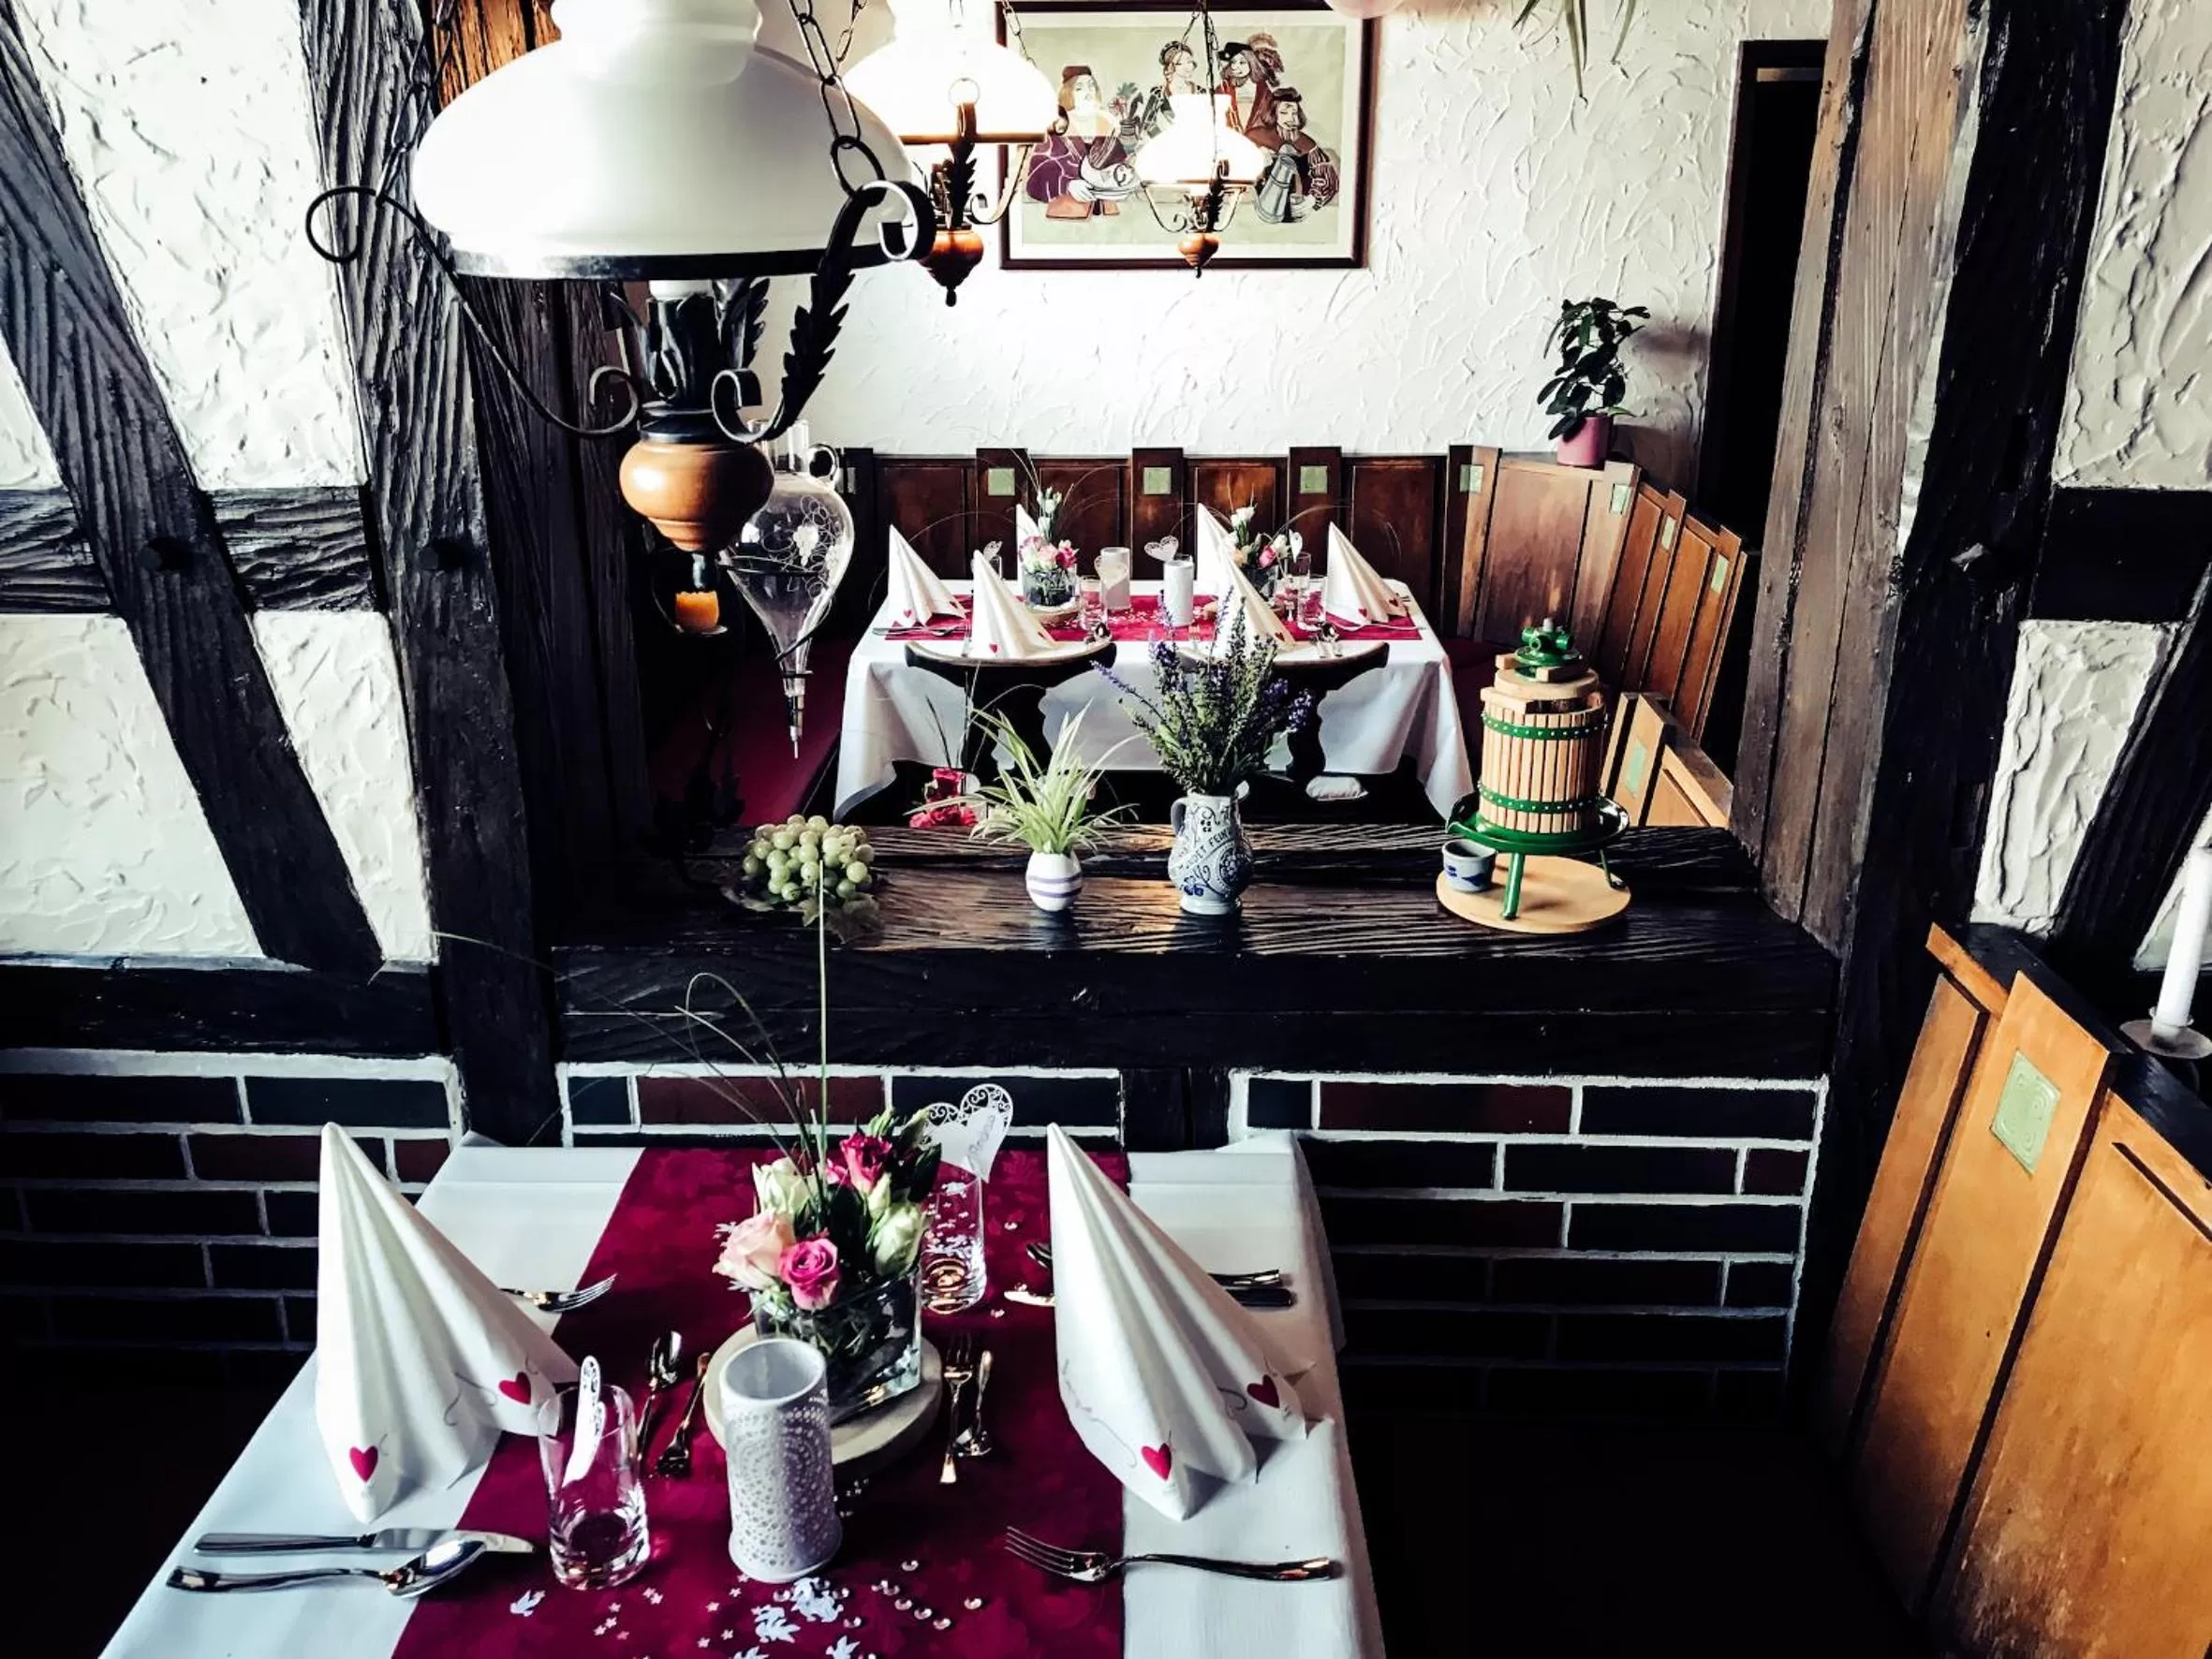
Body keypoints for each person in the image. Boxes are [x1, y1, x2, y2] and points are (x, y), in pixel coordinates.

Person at [1025, 65, 1138, 219]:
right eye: (1079, 88)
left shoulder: (1106, 124)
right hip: (1066, 214)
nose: (1088, 92)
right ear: (1068, 93)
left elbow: (1121, 165)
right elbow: (1037, 172)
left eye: (1092, 86)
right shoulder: (1058, 125)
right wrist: (1068, 185)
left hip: (1108, 215)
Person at [1250, 88, 1341, 224]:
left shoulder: (1308, 144)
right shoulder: (1256, 136)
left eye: (1294, 113)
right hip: (1259, 210)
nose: (1291, 118)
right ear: (1273, 113)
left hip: (1296, 211)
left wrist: (1313, 200)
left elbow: (1327, 177)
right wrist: (1257, 157)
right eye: (1284, 113)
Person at [1216, 40, 1276, 135]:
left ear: (1251, 63)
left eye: (1242, 62)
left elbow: (1270, 120)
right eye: (1233, 62)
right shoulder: (1222, 89)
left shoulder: (1264, 91)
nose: (1235, 67)